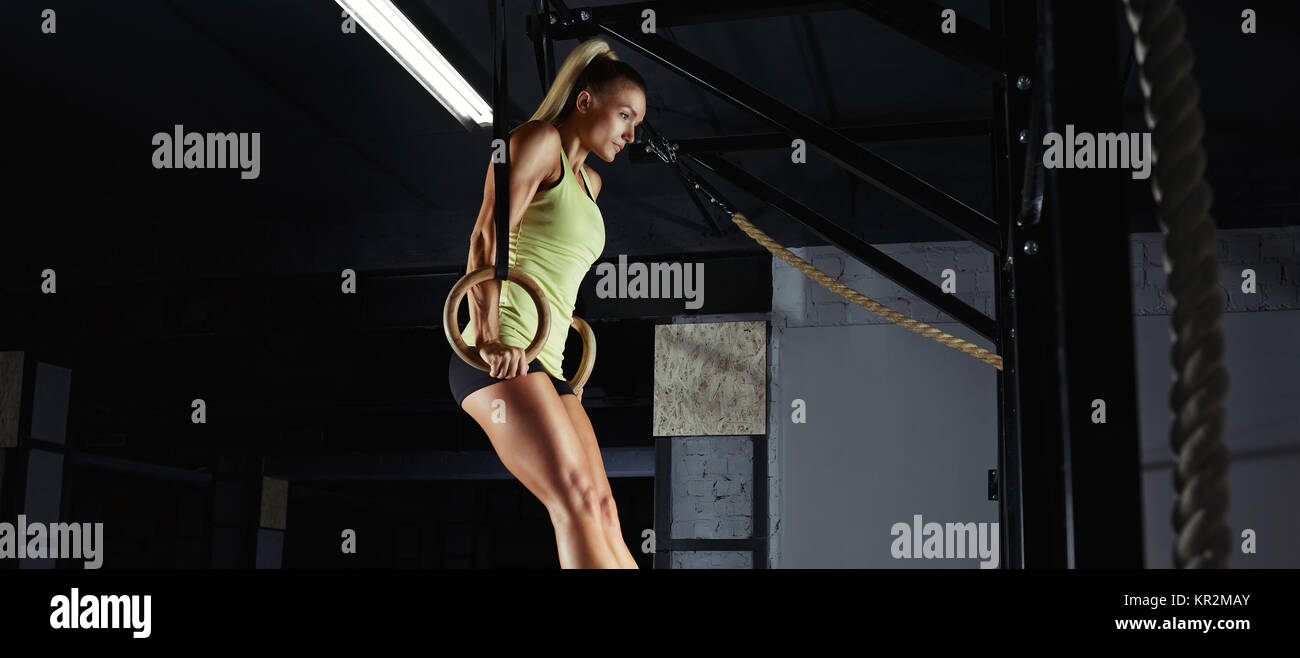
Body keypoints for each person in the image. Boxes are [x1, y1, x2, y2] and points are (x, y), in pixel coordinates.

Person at [447, 38, 647, 568]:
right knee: (574, 503)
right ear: (585, 102)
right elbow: (487, 238)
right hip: (501, 351)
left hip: (551, 362)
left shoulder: (591, 182)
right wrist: (488, 332)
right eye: (624, 115)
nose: (632, 133)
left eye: (637, 122)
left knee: (604, 509)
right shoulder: (538, 140)